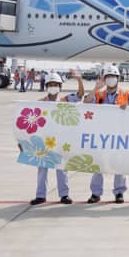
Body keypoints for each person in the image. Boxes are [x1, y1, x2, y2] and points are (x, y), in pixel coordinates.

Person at [29, 70, 84, 205]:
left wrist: (79, 80)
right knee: (42, 168)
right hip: (43, 140)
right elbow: (31, 123)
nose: (53, 86)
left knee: (62, 167)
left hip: (60, 140)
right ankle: (40, 195)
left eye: (56, 84)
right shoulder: (40, 103)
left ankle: (64, 195)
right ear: (47, 86)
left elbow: (80, 95)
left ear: (60, 86)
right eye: (51, 84)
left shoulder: (65, 100)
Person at [84, 64, 129, 204]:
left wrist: (128, 109)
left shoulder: (126, 94)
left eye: (113, 77)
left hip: (119, 135)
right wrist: (95, 88)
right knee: (98, 165)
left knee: (119, 165)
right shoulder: (99, 94)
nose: (111, 79)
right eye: (108, 77)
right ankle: (95, 193)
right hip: (102, 135)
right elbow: (86, 103)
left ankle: (119, 192)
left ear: (118, 79)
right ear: (104, 79)